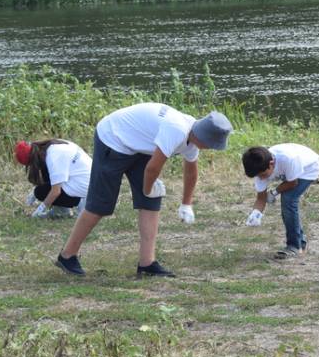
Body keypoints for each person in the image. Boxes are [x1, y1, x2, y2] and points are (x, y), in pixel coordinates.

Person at [54, 103, 232, 277]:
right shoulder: (177, 130)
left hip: (139, 145)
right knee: (101, 204)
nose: (210, 148)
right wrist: (148, 188)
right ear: (202, 137)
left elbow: (191, 172)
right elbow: (152, 169)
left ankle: (147, 263)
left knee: (151, 201)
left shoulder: (193, 138)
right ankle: (67, 256)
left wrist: (186, 204)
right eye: (211, 144)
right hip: (114, 138)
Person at [241, 144, 319, 260]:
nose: (262, 178)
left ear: (271, 164)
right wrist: (256, 214)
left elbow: (292, 183)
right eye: (258, 176)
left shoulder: (289, 160)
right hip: (290, 171)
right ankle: (301, 244)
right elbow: (261, 198)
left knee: (288, 200)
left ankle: (294, 246)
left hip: (309, 168)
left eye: (263, 175)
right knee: (287, 199)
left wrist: (274, 193)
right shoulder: (260, 167)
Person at [15, 139, 92, 218]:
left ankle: (81, 203)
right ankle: (62, 210)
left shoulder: (53, 157)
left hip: (86, 189)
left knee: (40, 192)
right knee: (45, 173)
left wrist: (38, 211)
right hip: (89, 181)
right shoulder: (52, 146)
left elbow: (55, 192)